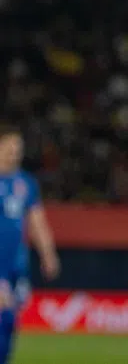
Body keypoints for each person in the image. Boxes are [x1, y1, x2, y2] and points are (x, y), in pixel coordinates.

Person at [0, 127, 59, 364]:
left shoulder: (26, 183)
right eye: (9, 148)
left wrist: (48, 254)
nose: (14, 154)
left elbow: (37, 221)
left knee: (10, 321)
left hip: (16, 265)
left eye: (18, 149)